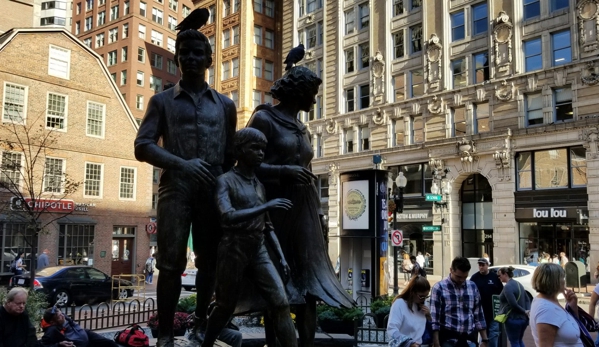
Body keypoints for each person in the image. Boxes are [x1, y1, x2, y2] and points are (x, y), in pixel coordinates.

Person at [134, 28, 237, 347]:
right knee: (170, 262)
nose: (191, 58)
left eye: (197, 53)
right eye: (185, 53)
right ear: (178, 59)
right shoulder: (161, 101)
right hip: (175, 189)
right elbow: (142, 145)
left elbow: (231, 153)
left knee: (210, 262)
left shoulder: (225, 106)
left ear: (209, 60)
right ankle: (165, 335)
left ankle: (202, 323)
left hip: (212, 190)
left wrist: (226, 186)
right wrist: (182, 163)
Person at [246, 66, 354, 347]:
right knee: (277, 284)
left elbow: (307, 171)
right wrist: (283, 171)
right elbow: (246, 165)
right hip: (275, 209)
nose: (315, 101)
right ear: (299, 92)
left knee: (310, 285)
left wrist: (319, 213)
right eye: (313, 94)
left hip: (304, 207)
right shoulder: (264, 119)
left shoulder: (303, 128)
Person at [202, 128, 297, 347]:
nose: (261, 153)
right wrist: (265, 206)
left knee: (281, 303)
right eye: (255, 148)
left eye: (263, 149)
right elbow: (227, 216)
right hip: (233, 249)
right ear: (239, 150)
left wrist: (281, 257)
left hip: (259, 249)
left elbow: (268, 226)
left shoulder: (259, 185)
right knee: (225, 306)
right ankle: (206, 343)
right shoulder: (225, 181)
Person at [430, 256, 487, 347]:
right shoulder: (439, 288)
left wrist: (484, 339)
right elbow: (434, 318)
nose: (461, 280)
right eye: (458, 276)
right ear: (451, 270)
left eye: (465, 277)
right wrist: (436, 342)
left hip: (469, 339)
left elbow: (479, 314)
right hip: (448, 339)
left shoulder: (472, 287)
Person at [530, 263, 581, 347]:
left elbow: (572, 326)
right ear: (553, 281)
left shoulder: (549, 301)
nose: (564, 281)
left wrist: (572, 306)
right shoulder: (546, 309)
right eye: (562, 277)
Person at [387, 275, 432, 347]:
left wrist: (429, 316)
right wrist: (409, 343)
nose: (424, 299)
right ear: (412, 292)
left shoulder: (424, 306)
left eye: (426, 296)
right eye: (421, 296)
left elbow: (428, 330)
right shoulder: (400, 303)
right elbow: (392, 329)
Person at [39, 307, 119, 347]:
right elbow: (43, 344)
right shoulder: (52, 330)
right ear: (52, 322)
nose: (62, 316)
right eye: (59, 316)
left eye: (61, 313)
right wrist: (59, 344)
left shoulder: (64, 317)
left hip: (86, 335)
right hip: (79, 344)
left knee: (109, 343)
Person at [469, 258, 503, 347]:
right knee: (477, 333)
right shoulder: (474, 278)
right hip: (478, 313)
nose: (481, 267)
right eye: (479, 265)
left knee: (493, 333)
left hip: (493, 312)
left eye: (483, 265)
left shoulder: (494, 277)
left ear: (487, 265)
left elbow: (501, 292)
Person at [497, 266, 531, 347]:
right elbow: (527, 299)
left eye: (499, 275)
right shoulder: (519, 284)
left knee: (514, 342)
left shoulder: (507, 287)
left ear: (505, 274)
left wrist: (524, 311)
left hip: (513, 318)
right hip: (523, 319)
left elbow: (513, 304)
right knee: (519, 340)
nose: (499, 277)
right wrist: (527, 311)